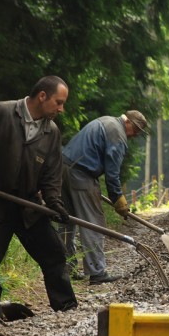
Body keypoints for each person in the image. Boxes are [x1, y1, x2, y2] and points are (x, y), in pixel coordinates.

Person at [0, 75, 78, 324]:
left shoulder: (51, 133)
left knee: (54, 253)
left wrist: (54, 204)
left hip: (27, 207)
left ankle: (66, 307)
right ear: (42, 96)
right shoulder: (0, 113)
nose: (61, 109)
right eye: (59, 102)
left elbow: (51, 177)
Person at [60, 110, 148, 284]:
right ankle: (97, 272)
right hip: (82, 174)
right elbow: (112, 173)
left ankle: (65, 269)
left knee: (66, 221)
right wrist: (118, 199)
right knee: (93, 223)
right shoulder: (118, 134)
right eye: (136, 130)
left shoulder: (105, 121)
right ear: (128, 122)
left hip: (63, 168)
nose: (135, 135)